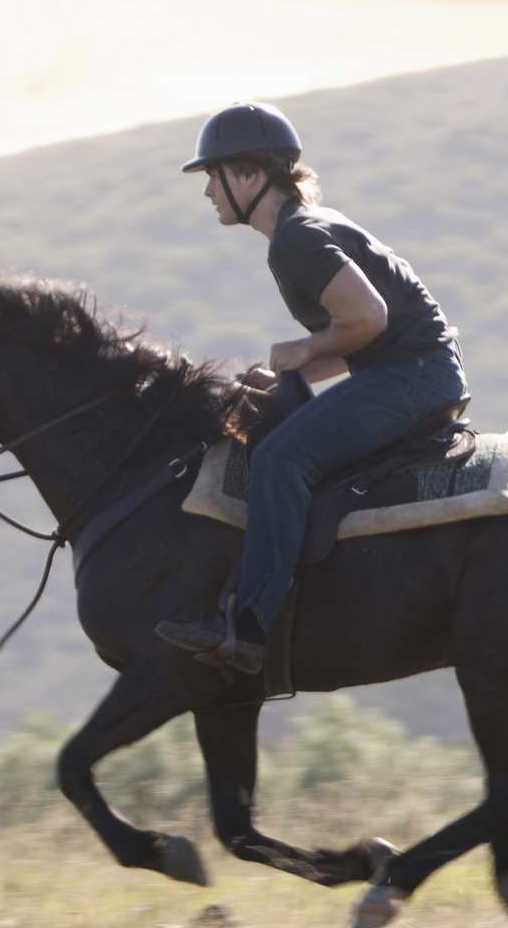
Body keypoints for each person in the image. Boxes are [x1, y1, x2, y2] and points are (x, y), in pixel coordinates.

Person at [156, 101, 470, 674]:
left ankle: (248, 630)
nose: (208, 193)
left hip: (412, 377)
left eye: (213, 177)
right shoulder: (307, 229)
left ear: (249, 175)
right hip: (407, 372)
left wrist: (301, 352)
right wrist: (285, 374)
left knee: (281, 459)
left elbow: (368, 318)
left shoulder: (296, 240)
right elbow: (356, 337)